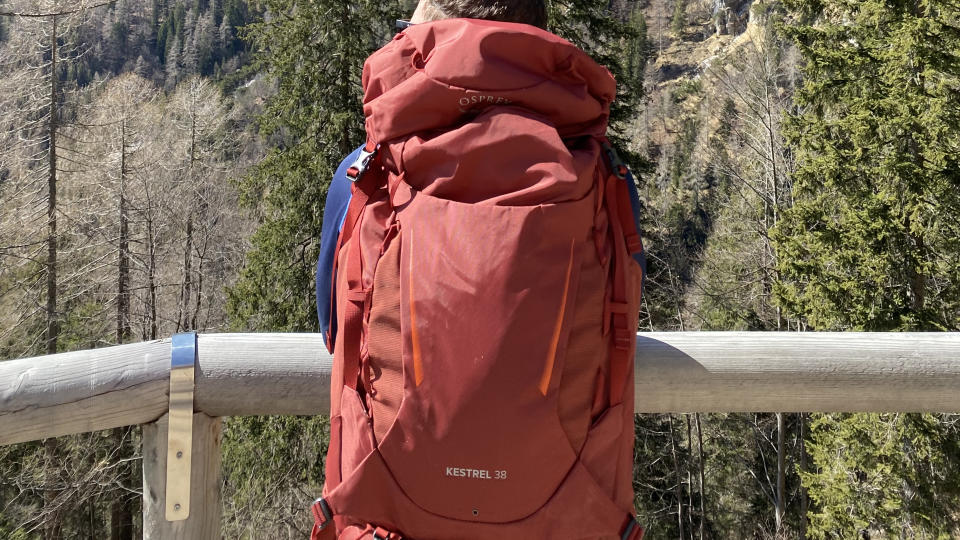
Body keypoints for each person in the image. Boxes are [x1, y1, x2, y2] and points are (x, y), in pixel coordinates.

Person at [314, 1, 646, 538]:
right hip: (562, 520)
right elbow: (622, 319)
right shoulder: (600, 174)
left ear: (431, 36)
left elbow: (335, 329)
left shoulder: (365, 170)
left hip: (388, 522)